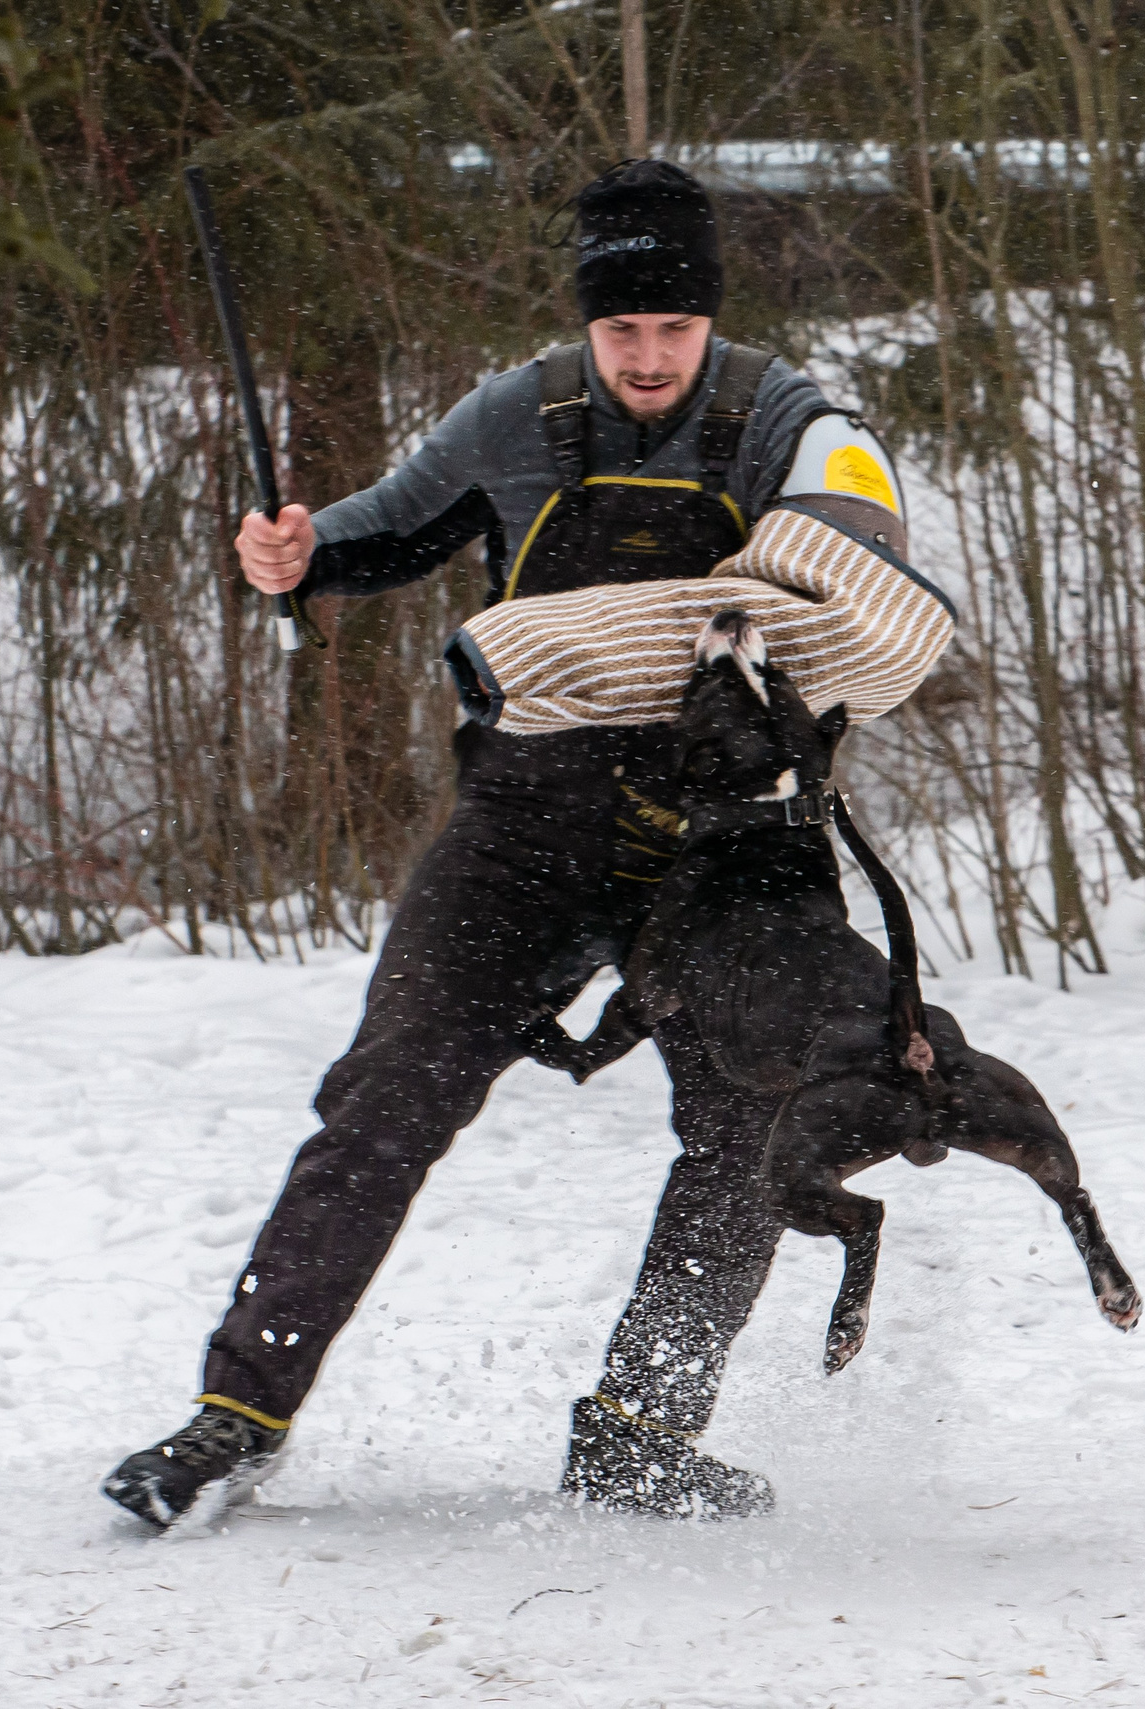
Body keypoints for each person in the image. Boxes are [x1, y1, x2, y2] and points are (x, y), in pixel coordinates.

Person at [103, 159, 919, 1527]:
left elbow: (860, 568)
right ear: (585, 323)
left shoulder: (794, 420)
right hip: (526, 831)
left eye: (673, 329)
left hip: (727, 855)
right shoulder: (518, 415)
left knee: (754, 1123)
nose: (647, 358)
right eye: (621, 331)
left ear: (711, 320)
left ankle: (641, 1427)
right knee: (384, 1098)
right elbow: (375, 533)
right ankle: (236, 1412)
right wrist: (294, 553)